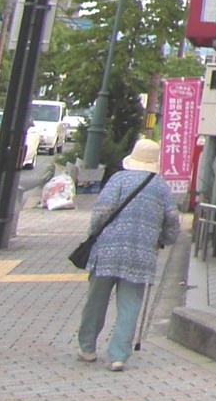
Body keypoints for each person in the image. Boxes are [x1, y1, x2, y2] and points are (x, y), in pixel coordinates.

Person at [76, 138, 179, 371]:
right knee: (130, 305)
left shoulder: (118, 180)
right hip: (141, 254)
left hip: (108, 250)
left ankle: (87, 348)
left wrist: (93, 234)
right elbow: (173, 220)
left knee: (96, 300)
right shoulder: (161, 187)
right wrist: (163, 240)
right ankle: (118, 356)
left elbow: (101, 212)